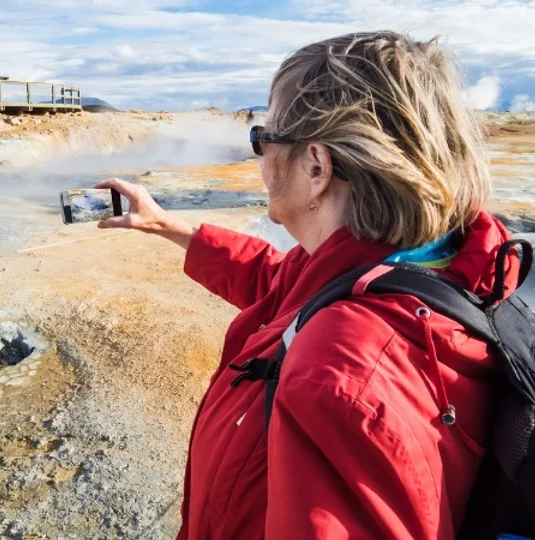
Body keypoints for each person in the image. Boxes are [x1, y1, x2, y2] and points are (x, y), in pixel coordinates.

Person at [94, 31, 520, 539]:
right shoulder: (413, 265)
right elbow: (279, 281)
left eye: (263, 139)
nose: (258, 157)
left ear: (317, 168)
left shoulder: (340, 376)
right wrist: (165, 225)